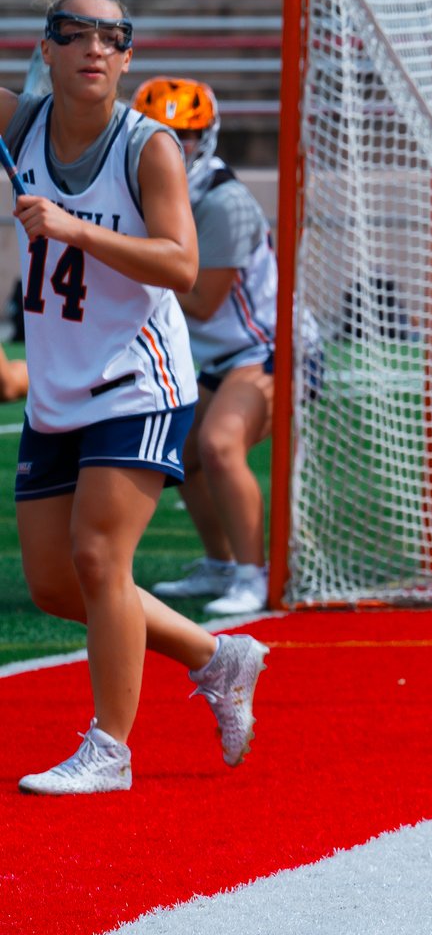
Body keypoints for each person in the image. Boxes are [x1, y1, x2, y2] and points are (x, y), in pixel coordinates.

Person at [6, 0, 268, 795]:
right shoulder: (22, 126)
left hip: (138, 379)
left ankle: (110, 749)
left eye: (110, 36)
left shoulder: (147, 146)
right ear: (45, 51)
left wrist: (75, 227)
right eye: (72, 32)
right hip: (57, 386)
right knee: (57, 582)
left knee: (98, 556)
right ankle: (213, 652)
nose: (92, 46)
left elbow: (182, 267)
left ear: (126, 57)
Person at [134, 78, 278, 617]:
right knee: (183, 454)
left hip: (267, 349)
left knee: (219, 445)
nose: (176, 145)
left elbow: (204, 302)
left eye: (187, 134)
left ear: (208, 137)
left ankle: (251, 574)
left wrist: (119, 260)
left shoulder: (223, 202)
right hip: (223, 355)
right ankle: (220, 564)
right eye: (163, 133)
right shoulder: (142, 186)